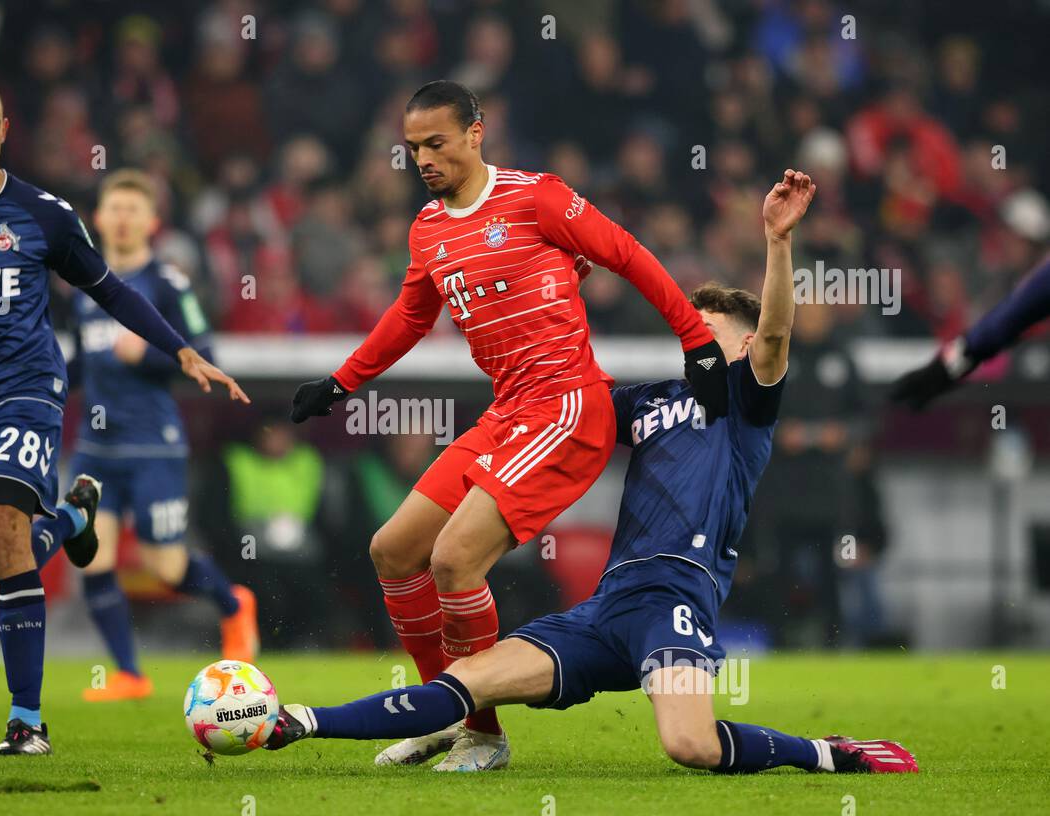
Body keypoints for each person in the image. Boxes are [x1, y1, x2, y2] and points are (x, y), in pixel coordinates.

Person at [268, 171, 919, 777]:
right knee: (462, 687)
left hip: (675, 599)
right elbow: (567, 403)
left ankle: (828, 754)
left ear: (742, 347)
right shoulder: (651, 400)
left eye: (705, 328)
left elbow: (776, 336)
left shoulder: (745, 403)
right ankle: (299, 722)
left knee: (688, 744)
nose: (688, 333)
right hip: (606, 609)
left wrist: (778, 242)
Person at [288, 80, 729, 771]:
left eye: (436, 142)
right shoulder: (428, 229)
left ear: (475, 132)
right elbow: (409, 317)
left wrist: (697, 341)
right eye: (412, 149)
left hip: (568, 407)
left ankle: (483, 733)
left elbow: (627, 253)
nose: (424, 159)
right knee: (393, 551)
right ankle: (442, 711)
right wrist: (342, 382)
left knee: (454, 560)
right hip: (508, 411)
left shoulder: (537, 197)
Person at [0, 77, 248, 756]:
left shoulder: (45, 215)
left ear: (5, 131)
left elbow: (109, 288)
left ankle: (27, 722)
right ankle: (74, 520)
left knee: (5, 525)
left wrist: (180, 352)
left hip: (27, 388)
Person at [70, 169, 258, 703]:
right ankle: (130, 674)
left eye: (135, 209)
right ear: (99, 219)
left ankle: (233, 604)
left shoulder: (169, 284)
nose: (124, 218)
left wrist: (150, 353)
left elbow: (207, 357)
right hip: (96, 447)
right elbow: (82, 362)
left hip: (154, 445)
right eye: (115, 208)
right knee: (91, 556)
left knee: (166, 566)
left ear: (152, 223)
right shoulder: (85, 287)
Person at [890, 256, 1050, 408]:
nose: (943, 292)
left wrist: (945, 369)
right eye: (938, 286)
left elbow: (995, 337)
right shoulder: (924, 316)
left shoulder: (970, 320)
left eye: (948, 286)